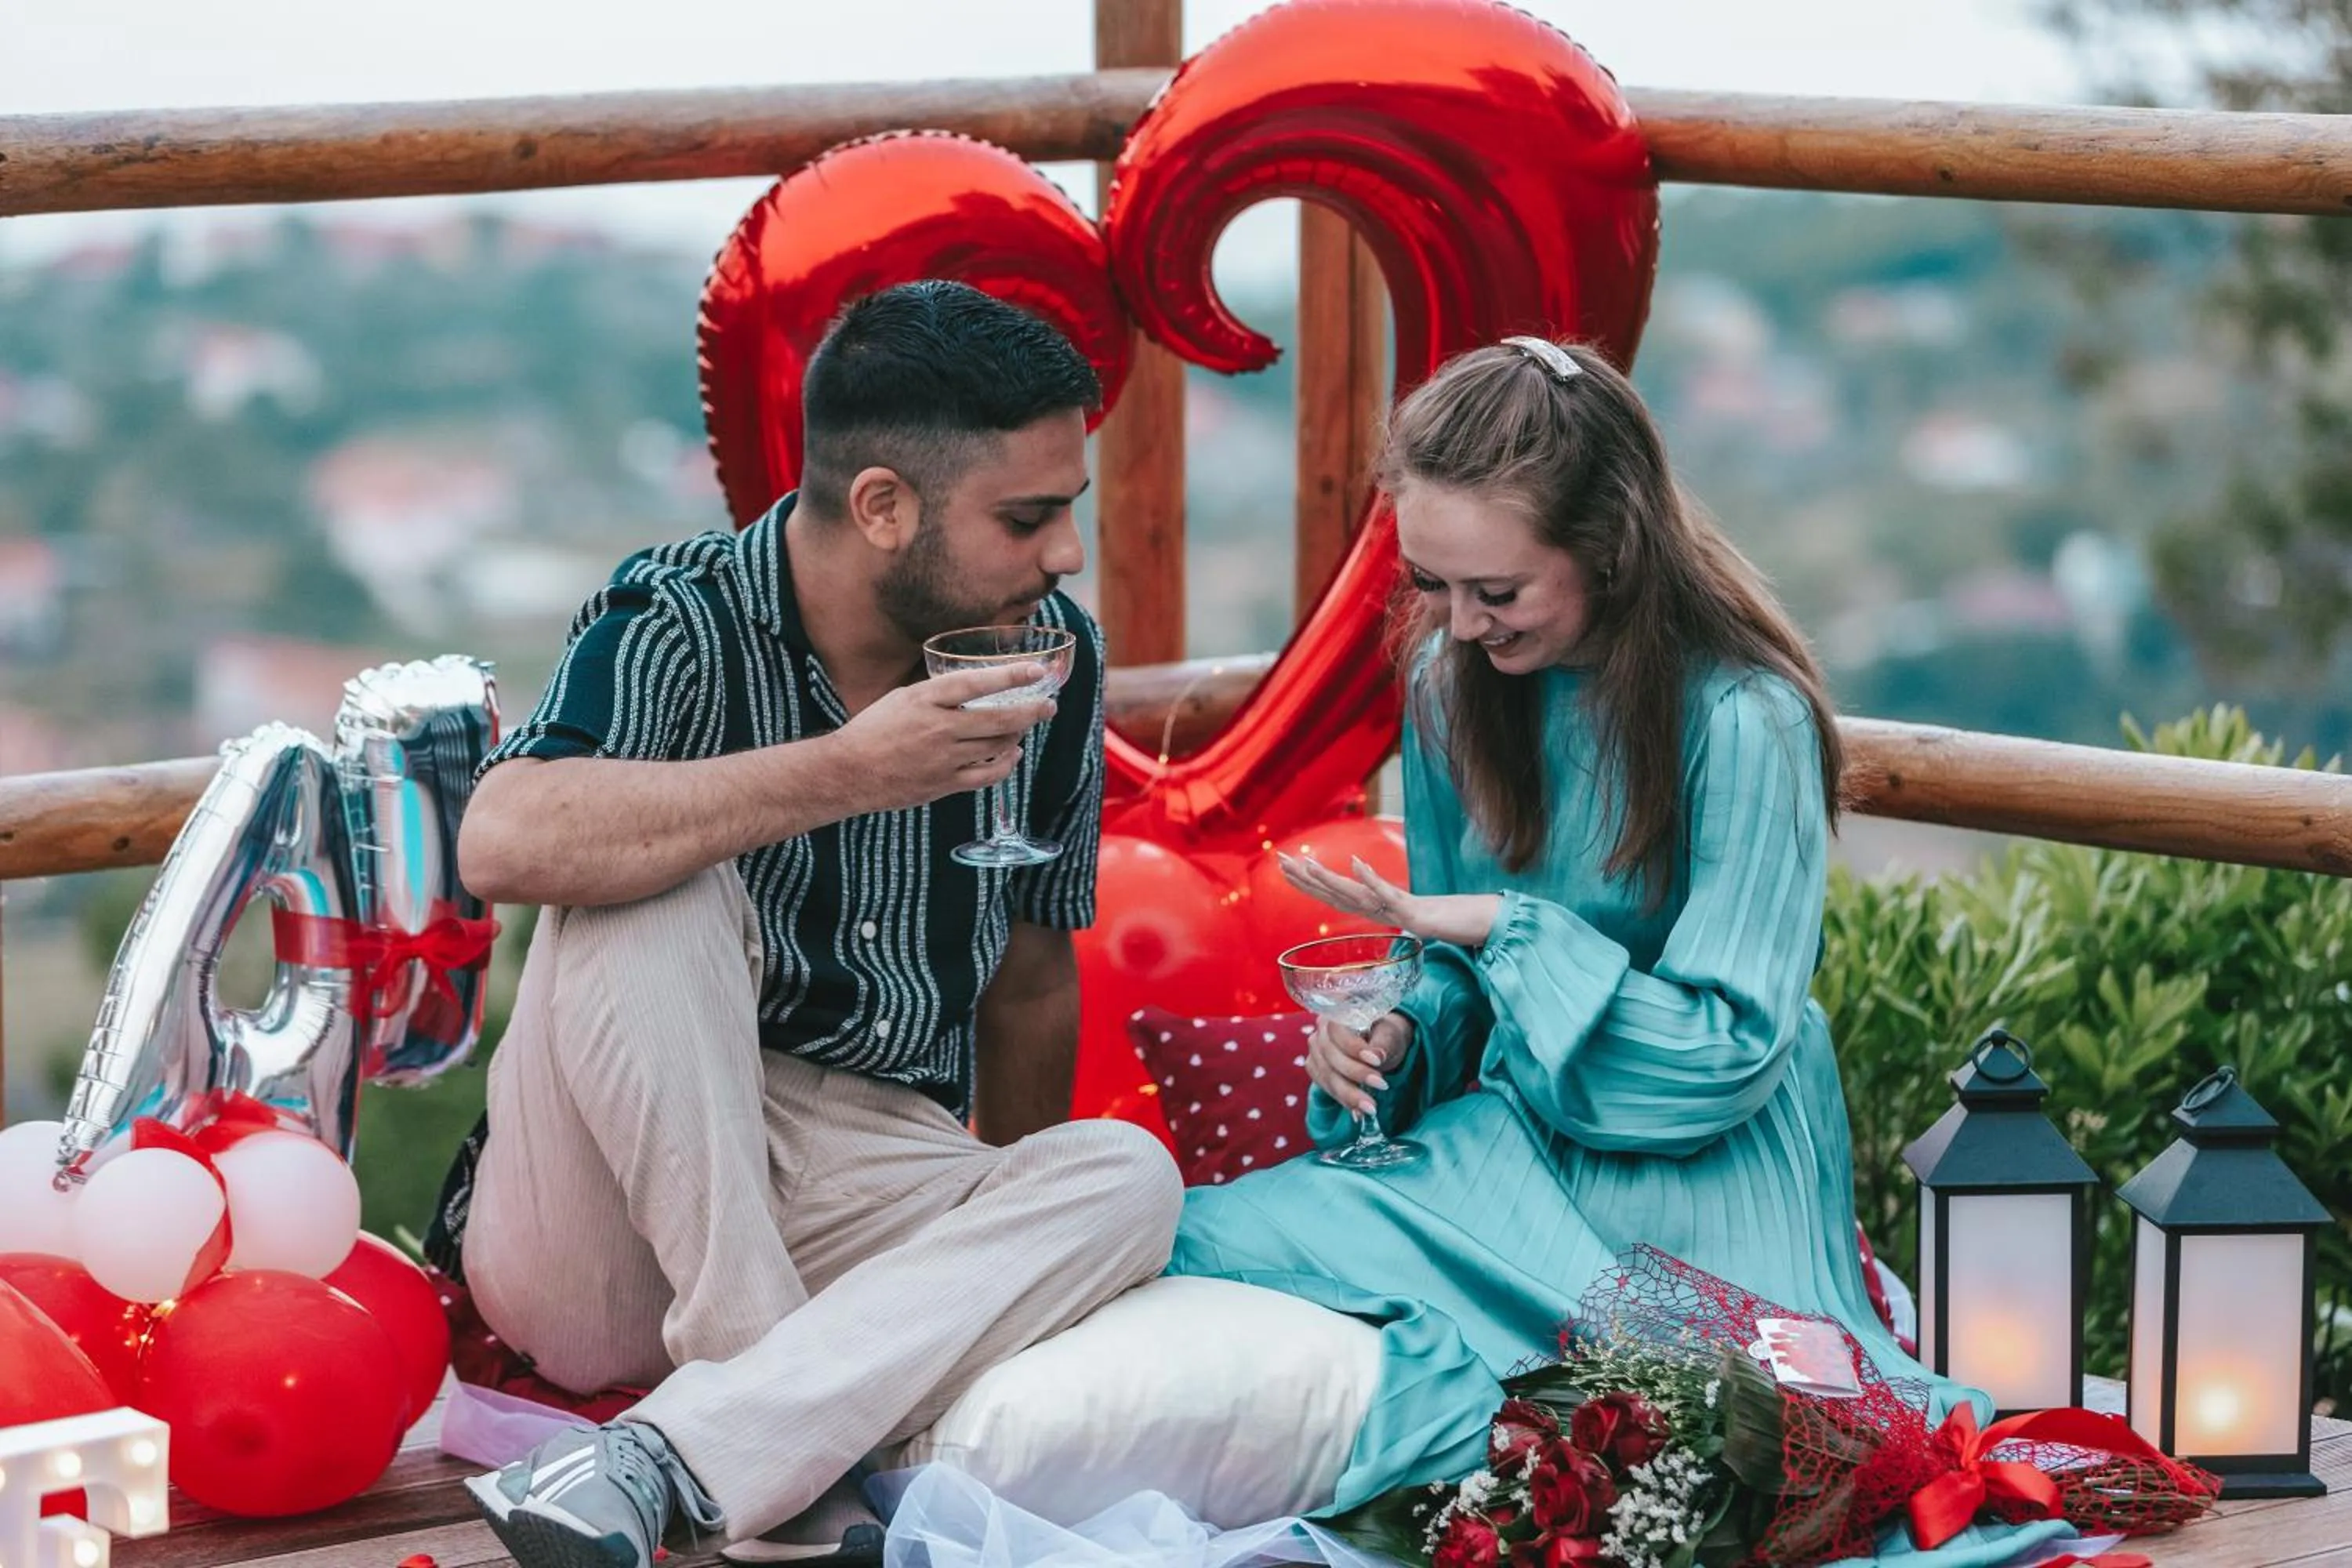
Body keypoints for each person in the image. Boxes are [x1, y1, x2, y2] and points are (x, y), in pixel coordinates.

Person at [1167, 338, 2068, 1566]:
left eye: (1499, 591)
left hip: (1699, 1158)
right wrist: (1396, 1032)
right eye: (1433, 583)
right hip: (1510, 1142)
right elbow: (1448, 976)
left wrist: (1508, 929)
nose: (1461, 623)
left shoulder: (1746, 720)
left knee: (1711, 1428)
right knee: (1200, 1236)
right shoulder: (1444, 683)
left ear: (1609, 548)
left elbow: (1724, 1051)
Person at [430, 280, 1184, 1568]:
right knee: (654, 885)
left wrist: (1002, 1236)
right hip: (610, 1196)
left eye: (1070, 510)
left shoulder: (1047, 653)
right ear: (884, 506)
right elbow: (504, 840)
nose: (1065, 553)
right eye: (1028, 517)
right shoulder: (684, 617)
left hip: (864, 1167)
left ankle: (697, 1450)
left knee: (1130, 1180)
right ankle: (763, 1418)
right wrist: (848, 769)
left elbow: (1029, 979)